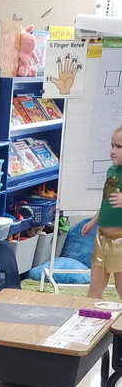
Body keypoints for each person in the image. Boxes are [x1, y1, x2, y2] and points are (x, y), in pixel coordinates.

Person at [83, 125, 122, 299]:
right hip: (102, 238)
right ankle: (89, 324)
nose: (112, 151)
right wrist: (94, 220)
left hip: (120, 242)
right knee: (95, 289)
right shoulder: (112, 171)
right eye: (112, 146)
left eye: (119, 147)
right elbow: (106, 202)